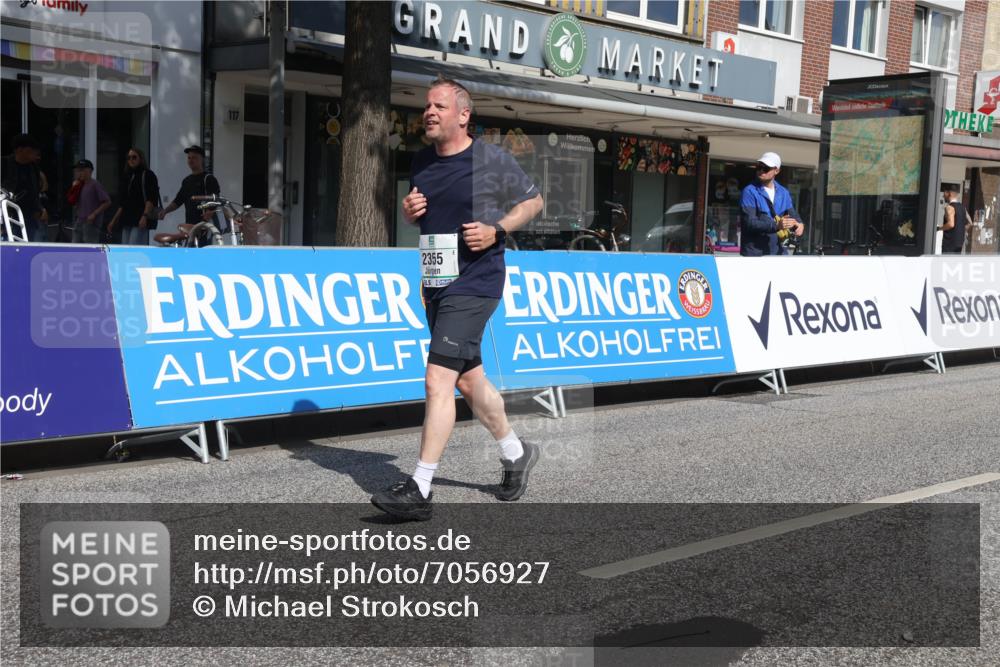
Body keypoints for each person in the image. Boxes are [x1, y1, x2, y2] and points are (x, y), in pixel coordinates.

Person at [370, 76, 544, 521]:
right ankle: (516, 451)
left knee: (437, 380)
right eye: (427, 106)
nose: (428, 112)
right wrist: (412, 219)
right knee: (468, 381)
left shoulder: (491, 159)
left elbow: (534, 203)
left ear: (463, 114)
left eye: (439, 106)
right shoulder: (422, 162)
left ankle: (420, 488)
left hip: (478, 281)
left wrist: (498, 229)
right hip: (438, 283)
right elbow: (428, 222)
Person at [739, 152, 803, 256]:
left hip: (778, 252)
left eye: (766, 168)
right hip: (754, 254)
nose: (761, 171)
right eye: (759, 167)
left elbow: (793, 214)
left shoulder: (783, 192)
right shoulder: (749, 191)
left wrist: (800, 224)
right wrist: (777, 225)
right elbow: (749, 223)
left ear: (776, 171)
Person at [157, 145, 221, 228]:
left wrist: (209, 213)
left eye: (194, 157)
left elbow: (215, 199)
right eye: (189, 158)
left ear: (202, 159)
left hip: (206, 226)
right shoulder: (186, 181)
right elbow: (178, 200)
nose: (191, 160)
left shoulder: (209, 179)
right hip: (190, 225)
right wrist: (165, 211)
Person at [108, 148, 160, 246]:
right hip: (127, 218)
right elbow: (123, 202)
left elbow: (151, 198)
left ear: (141, 158)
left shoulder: (148, 175)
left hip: (140, 216)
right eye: (129, 158)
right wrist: (113, 220)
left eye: (134, 157)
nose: (131, 160)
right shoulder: (127, 176)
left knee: (134, 246)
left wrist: (144, 216)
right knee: (125, 247)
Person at [1, 134, 48, 241]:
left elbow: (35, 191)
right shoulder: (4, 163)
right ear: (20, 150)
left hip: (29, 216)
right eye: (31, 149)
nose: (35, 153)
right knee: (8, 248)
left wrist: (40, 208)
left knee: (27, 247)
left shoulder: (33, 167)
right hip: (8, 216)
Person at [69, 159, 111, 244]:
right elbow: (72, 201)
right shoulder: (79, 185)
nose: (79, 173)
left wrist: (94, 214)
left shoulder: (95, 185)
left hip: (91, 223)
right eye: (77, 171)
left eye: (81, 170)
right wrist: (74, 188)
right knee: (75, 247)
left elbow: (107, 202)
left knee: (89, 248)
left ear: (89, 171)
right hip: (79, 221)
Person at [939, 183, 970, 254]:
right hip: (959, 244)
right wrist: (960, 230)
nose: (943, 196)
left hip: (949, 244)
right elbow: (970, 223)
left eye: (944, 193)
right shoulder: (963, 208)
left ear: (949, 193)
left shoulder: (949, 207)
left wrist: (939, 228)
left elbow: (951, 224)